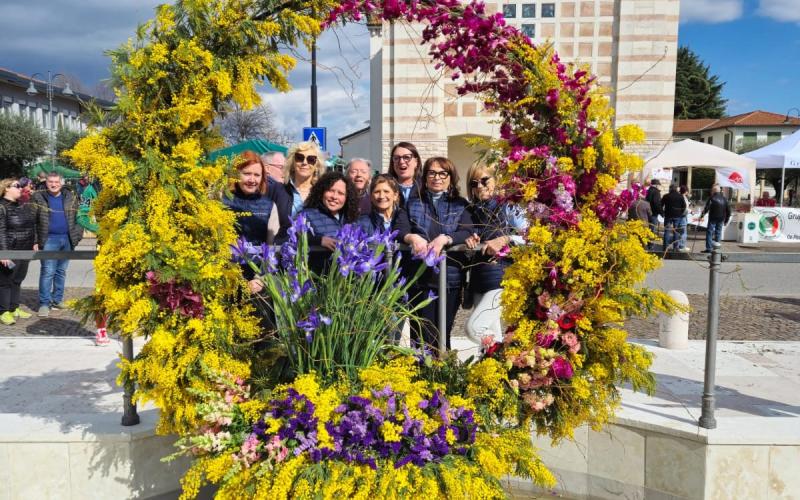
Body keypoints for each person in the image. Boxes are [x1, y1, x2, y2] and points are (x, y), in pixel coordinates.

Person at [404, 157, 473, 351]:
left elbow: (467, 230)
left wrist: (446, 238)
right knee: (421, 335)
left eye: (443, 173)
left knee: (443, 335)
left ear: (451, 177)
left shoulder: (460, 204)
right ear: (425, 177)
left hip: (449, 278)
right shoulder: (414, 202)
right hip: (420, 279)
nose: (437, 178)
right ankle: (420, 376)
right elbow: (402, 227)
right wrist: (412, 237)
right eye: (432, 173)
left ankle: (443, 376)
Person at [463, 165, 526, 345]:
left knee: (475, 329)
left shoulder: (509, 208)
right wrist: (469, 238)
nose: (480, 186)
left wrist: (506, 239)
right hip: (478, 280)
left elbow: (532, 237)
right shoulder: (471, 211)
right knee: (488, 339)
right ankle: (498, 364)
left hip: (502, 279)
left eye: (485, 180)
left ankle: (505, 353)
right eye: (474, 183)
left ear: (495, 180)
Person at [224, 151, 291, 293]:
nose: (252, 179)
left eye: (257, 175)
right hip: (226, 276)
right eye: (247, 174)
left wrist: (261, 278)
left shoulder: (269, 205)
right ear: (236, 174)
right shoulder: (223, 201)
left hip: (257, 280)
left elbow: (273, 247)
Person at [32, 172, 83, 317]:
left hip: (67, 239)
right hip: (48, 239)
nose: (53, 185)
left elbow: (79, 217)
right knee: (48, 271)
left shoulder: (70, 196)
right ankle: (44, 303)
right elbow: (33, 221)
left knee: (61, 271)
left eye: (56, 182)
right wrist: (35, 240)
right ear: (46, 182)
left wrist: (77, 236)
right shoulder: (38, 196)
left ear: (61, 183)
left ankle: (57, 299)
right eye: (50, 182)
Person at [301, 171, 360, 273]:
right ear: (321, 192)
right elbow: (286, 239)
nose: (334, 196)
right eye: (330, 190)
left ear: (347, 198)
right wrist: (319, 241)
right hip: (316, 279)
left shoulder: (351, 219)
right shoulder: (306, 215)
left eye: (340, 193)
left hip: (344, 281)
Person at [0, 179, 37, 326]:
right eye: (16, 186)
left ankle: (13, 307)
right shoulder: (2, 207)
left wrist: (34, 242)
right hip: (10, 250)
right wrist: (4, 253)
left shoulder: (23, 205)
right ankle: (3, 312)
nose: (20, 188)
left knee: (17, 280)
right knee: (5, 282)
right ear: (6, 189)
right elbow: (0, 231)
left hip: (24, 249)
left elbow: (31, 225)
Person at [283, 142, 325, 217]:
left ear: (317, 166)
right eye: (299, 158)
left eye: (311, 159)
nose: (304, 162)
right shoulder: (278, 191)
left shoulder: (323, 193)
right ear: (292, 163)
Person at [389, 142, 423, 208]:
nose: (401, 161)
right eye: (396, 158)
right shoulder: (385, 187)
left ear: (416, 162)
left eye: (406, 157)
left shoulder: (425, 188)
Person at [700, 184, 730, 253]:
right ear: (720, 190)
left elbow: (706, 208)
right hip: (721, 218)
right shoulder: (724, 199)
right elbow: (729, 210)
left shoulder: (711, 198)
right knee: (718, 232)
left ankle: (709, 248)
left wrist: (702, 215)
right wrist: (726, 220)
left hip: (713, 218)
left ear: (714, 190)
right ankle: (717, 248)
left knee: (709, 233)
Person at [661, 184, 687, 252]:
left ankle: (665, 247)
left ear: (670, 189)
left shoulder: (666, 196)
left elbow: (661, 205)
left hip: (668, 215)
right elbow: (684, 206)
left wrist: (663, 213)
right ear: (676, 189)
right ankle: (675, 247)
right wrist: (680, 213)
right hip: (677, 216)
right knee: (676, 232)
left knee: (667, 231)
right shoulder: (680, 196)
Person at [644, 179, 662, 250]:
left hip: (648, 212)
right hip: (654, 213)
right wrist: (661, 212)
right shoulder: (656, 192)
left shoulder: (649, 191)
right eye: (658, 185)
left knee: (649, 228)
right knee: (652, 229)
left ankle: (647, 243)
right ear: (656, 185)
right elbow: (656, 203)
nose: (659, 186)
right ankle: (650, 245)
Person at [678, 185, 691, 251]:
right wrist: (691, 211)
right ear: (686, 191)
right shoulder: (683, 198)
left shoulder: (679, 196)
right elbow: (685, 209)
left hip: (679, 216)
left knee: (679, 232)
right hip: (682, 216)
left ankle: (679, 245)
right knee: (683, 232)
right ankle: (682, 246)